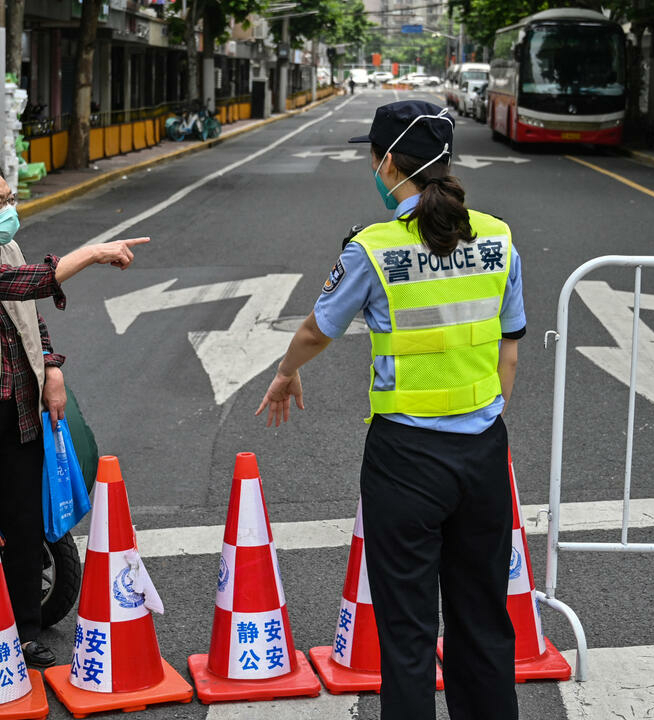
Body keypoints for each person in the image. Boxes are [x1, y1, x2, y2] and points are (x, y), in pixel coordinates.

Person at [256, 101, 524, 720]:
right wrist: (483, 420)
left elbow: (319, 330)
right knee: (483, 618)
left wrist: (286, 372)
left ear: (384, 163)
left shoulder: (374, 248)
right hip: (483, 451)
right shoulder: (498, 237)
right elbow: (509, 350)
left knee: (405, 631)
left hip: (405, 459)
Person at [0, 161, 148, 674]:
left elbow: (29, 316)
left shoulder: (8, 248)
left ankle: (23, 633)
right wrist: (91, 253)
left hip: (17, 409)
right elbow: (20, 285)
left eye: (9, 199)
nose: (8, 212)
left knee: (24, 524)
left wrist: (51, 366)